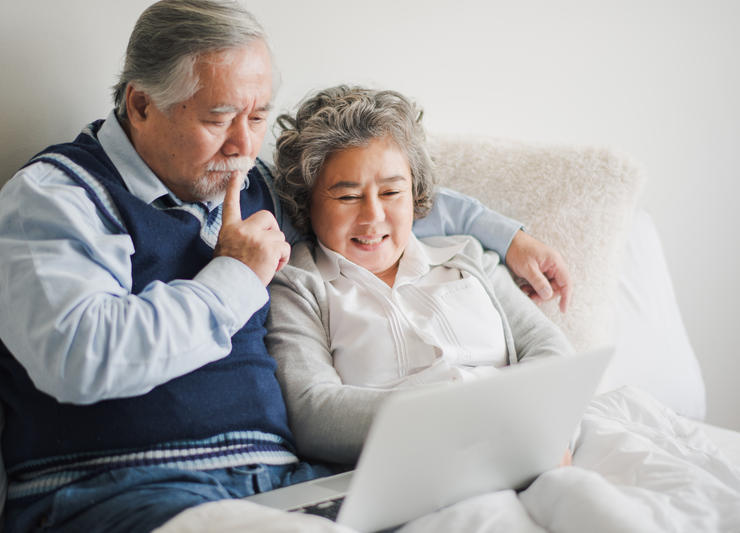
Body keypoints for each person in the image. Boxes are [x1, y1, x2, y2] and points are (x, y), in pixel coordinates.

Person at [0, 1, 569, 531]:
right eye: (219, 118)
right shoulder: (57, 198)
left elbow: (370, 203)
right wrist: (235, 277)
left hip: (286, 485)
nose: (243, 146)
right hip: (123, 487)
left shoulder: (256, 185)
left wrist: (509, 237)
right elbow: (81, 355)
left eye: (258, 117)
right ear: (141, 105)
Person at [267, 85, 574, 465]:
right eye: (347, 197)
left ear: (416, 194)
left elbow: (554, 354)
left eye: (392, 192)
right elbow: (314, 412)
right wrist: (468, 421)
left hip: (534, 445)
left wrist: (539, 427)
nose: (373, 216)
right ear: (307, 201)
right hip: (418, 467)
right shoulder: (298, 284)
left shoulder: (468, 256)